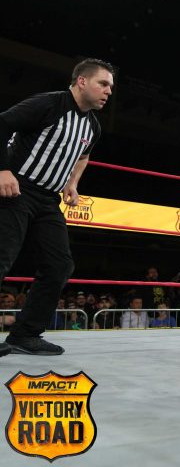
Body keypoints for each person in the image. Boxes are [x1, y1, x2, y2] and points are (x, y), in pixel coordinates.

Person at [0, 58, 114, 357]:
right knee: (2, 255)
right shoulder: (49, 104)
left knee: (59, 265)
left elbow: (83, 155)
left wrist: (72, 183)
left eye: (110, 87)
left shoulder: (93, 126)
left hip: (48, 199)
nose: (108, 91)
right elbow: (2, 124)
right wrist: (3, 170)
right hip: (16, 188)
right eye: (103, 84)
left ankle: (25, 335)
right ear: (82, 81)